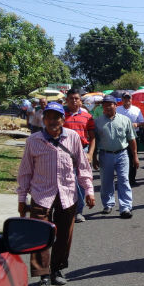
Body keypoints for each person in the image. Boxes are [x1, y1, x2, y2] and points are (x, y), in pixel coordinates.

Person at [16, 102, 95, 286]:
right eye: (49, 117)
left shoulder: (73, 137)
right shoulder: (33, 141)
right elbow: (25, 171)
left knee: (64, 234)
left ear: (63, 119)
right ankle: (43, 275)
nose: (52, 121)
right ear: (43, 120)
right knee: (40, 234)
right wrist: (21, 198)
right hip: (41, 195)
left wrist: (89, 190)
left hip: (67, 194)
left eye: (56, 117)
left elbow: (82, 167)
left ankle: (56, 269)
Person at [93, 95, 139, 219]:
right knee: (106, 181)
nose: (107, 107)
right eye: (105, 105)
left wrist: (135, 156)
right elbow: (95, 141)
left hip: (122, 154)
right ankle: (108, 204)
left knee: (124, 180)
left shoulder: (125, 120)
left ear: (115, 105)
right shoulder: (97, 122)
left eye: (110, 104)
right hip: (105, 154)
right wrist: (94, 157)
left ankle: (125, 207)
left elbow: (132, 139)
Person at [64, 88, 96, 223]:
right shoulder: (60, 115)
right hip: (64, 153)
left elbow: (93, 137)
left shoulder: (87, 117)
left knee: (82, 182)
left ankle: (78, 211)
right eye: (71, 99)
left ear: (80, 101)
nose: (74, 101)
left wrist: (90, 154)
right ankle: (65, 209)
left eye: (76, 98)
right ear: (67, 100)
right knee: (66, 181)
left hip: (83, 151)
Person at [116, 92, 144, 186]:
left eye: (128, 98)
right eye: (125, 98)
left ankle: (132, 179)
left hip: (133, 136)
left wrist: (137, 124)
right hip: (121, 137)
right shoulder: (117, 109)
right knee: (122, 158)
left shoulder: (136, 110)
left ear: (131, 99)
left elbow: (142, 122)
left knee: (133, 157)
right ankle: (123, 179)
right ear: (122, 100)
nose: (127, 100)